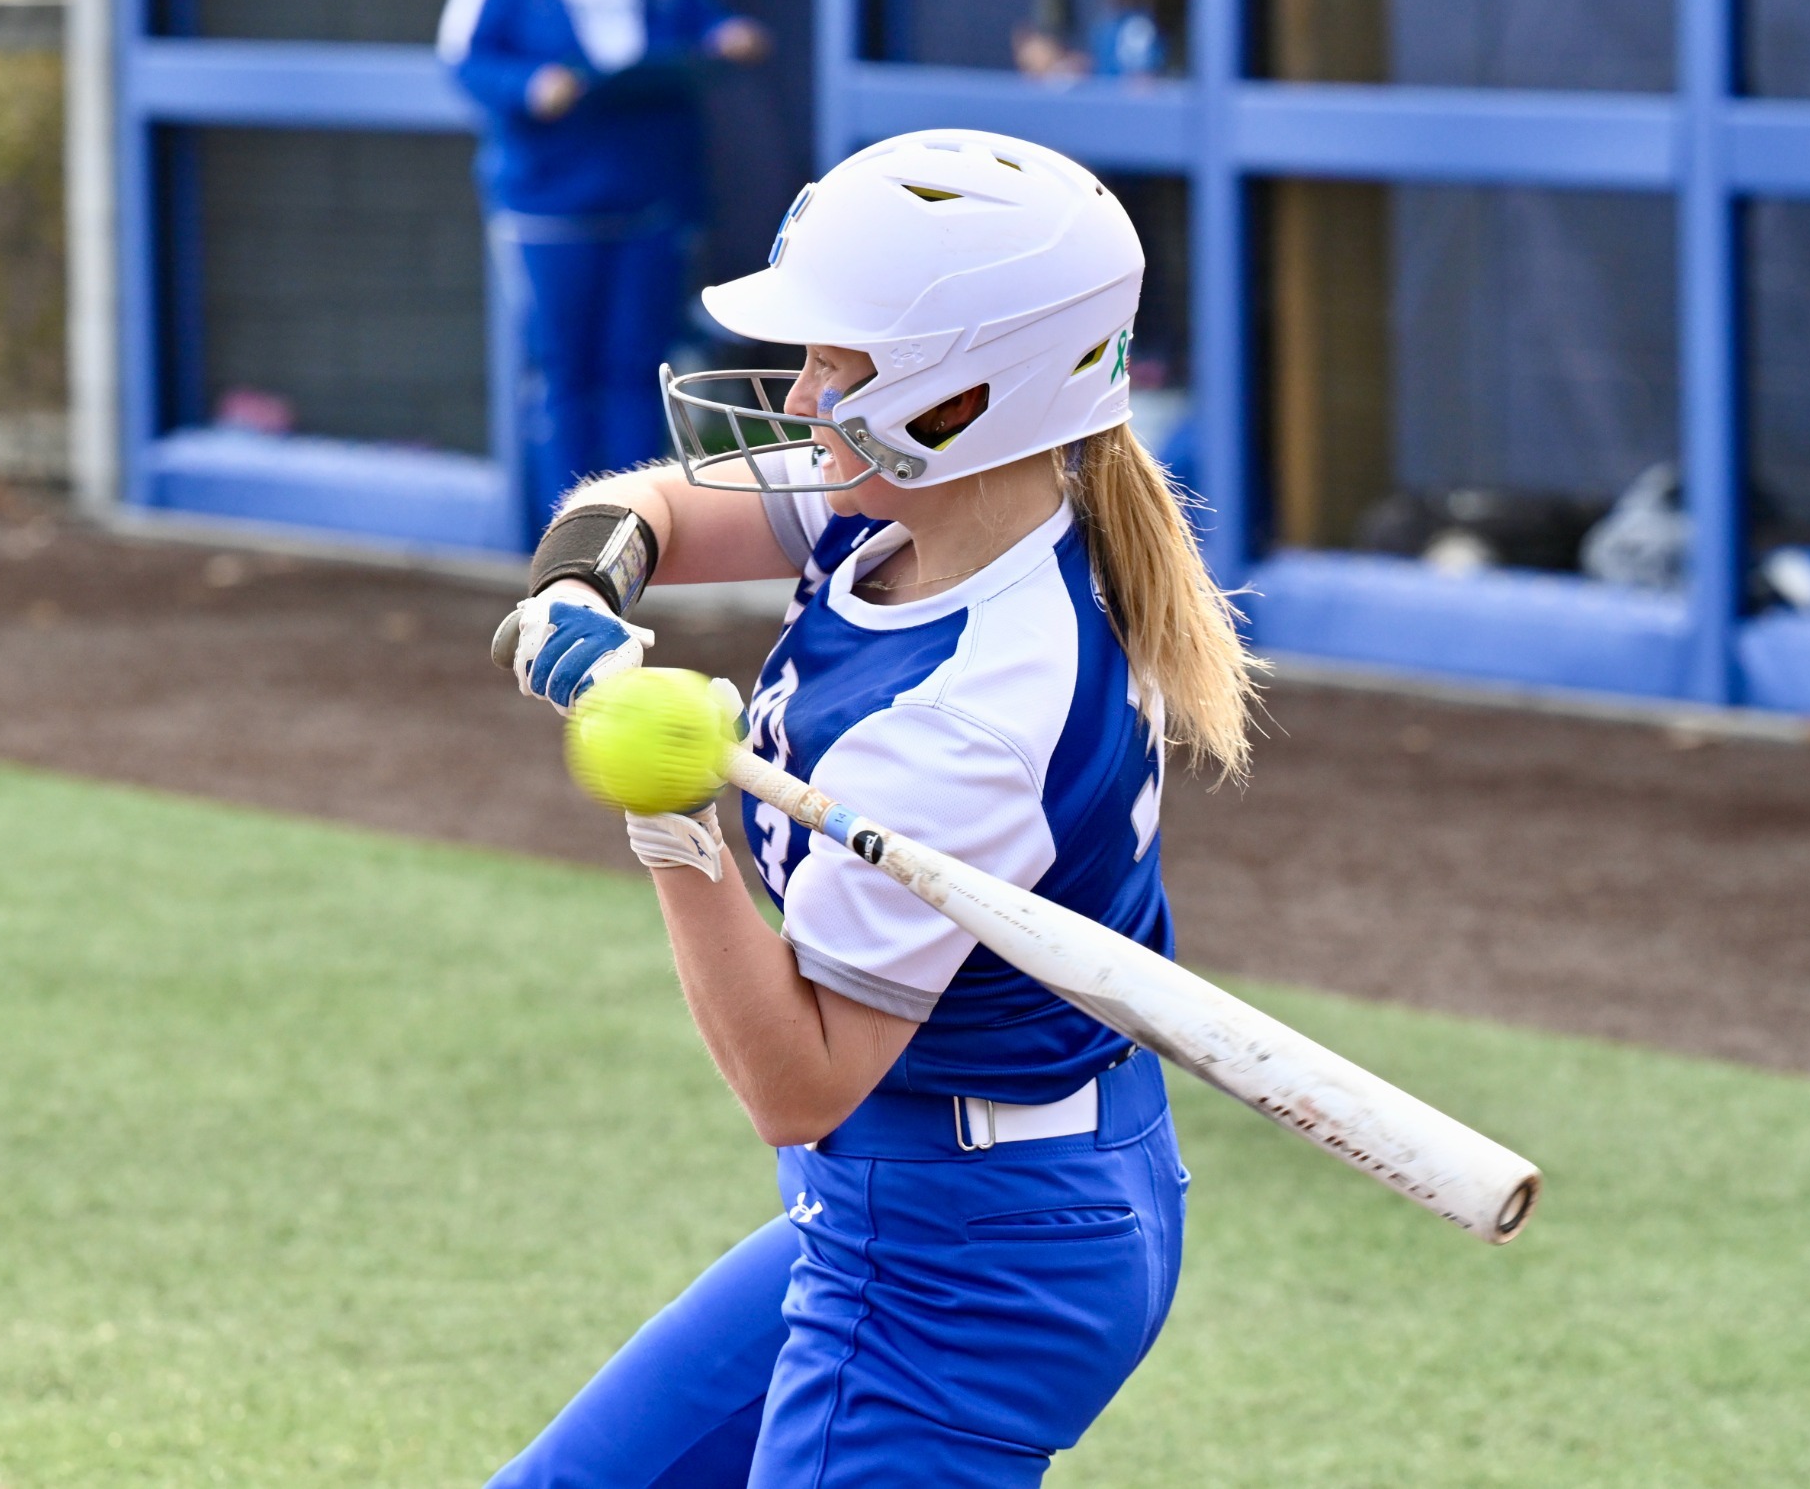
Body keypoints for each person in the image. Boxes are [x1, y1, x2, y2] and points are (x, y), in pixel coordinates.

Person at [486, 130, 1262, 1487]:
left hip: (974, 1259)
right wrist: (581, 587)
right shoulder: (919, 507)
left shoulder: (972, 711)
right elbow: (649, 503)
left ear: (960, 395)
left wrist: (680, 829)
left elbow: (798, 1081)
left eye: (834, 364)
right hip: (924, 1191)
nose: (795, 393)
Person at [437, 0, 771, 538]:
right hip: (549, 201)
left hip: (652, 194)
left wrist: (728, 36)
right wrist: (531, 85)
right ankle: (563, 540)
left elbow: (705, 24)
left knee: (639, 366)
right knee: (562, 371)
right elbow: (465, 63)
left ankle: (635, 533)